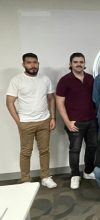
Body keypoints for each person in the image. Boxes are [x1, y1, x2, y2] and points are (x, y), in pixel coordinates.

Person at [6, 53, 57, 188]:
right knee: (25, 152)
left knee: (44, 150)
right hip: (26, 122)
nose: (32, 65)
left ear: (38, 64)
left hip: (44, 120)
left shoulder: (45, 79)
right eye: (29, 62)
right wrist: (19, 122)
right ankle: (25, 179)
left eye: (35, 62)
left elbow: (51, 99)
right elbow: (9, 102)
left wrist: (53, 117)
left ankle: (45, 177)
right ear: (23, 64)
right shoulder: (17, 80)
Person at [56, 52, 98, 189]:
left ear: (84, 64)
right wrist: (67, 122)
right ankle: (75, 175)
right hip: (74, 122)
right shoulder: (64, 80)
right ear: (70, 64)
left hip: (92, 121)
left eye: (81, 62)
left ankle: (88, 171)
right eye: (75, 62)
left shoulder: (91, 78)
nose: (79, 64)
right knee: (75, 149)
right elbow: (59, 102)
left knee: (92, 147)